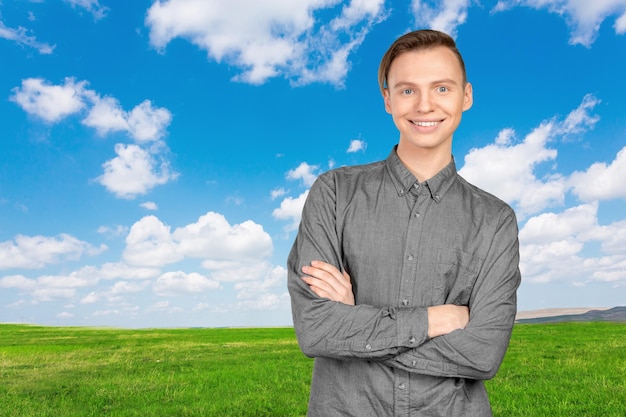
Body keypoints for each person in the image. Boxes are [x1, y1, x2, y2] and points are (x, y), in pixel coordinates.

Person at [287, 29, 521, 416]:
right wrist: (435, 319)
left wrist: (356, 321)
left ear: (466, 96)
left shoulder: (495, 221)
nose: (425, 105)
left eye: (442, 89)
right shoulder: (333, 193)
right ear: (388, 100)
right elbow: (318, 330)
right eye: (408, 90)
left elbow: (483, 354)